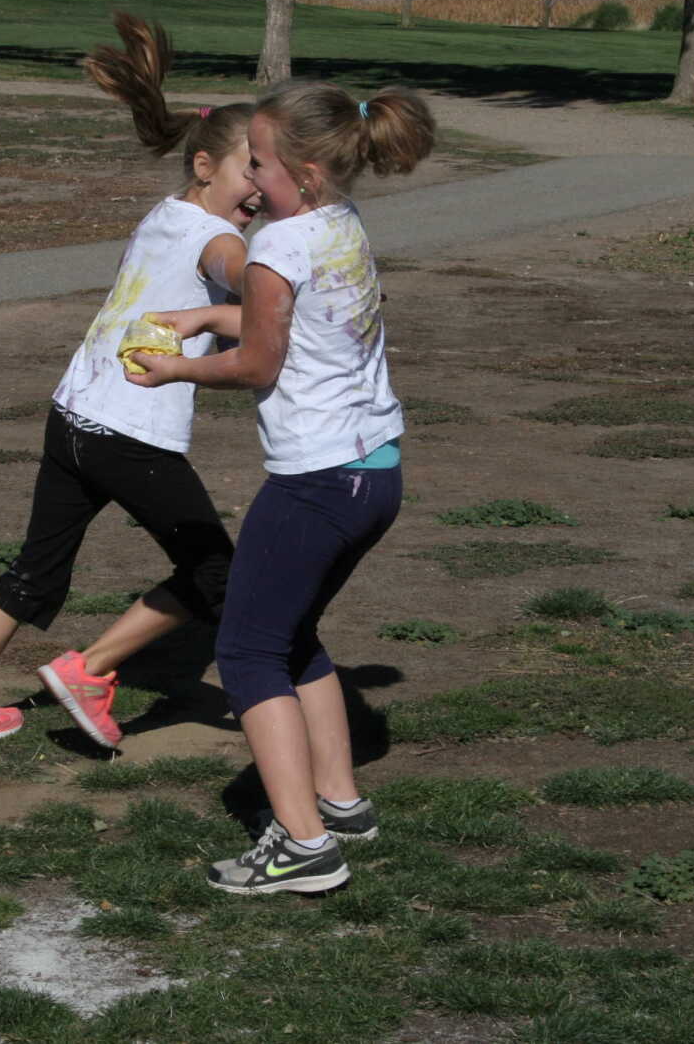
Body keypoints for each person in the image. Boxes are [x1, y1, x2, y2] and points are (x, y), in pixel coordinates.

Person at [0, 14, 259, 754]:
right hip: (130, 432)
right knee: (218, 571)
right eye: (250, 169)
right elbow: (237, 276)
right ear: (205, 167)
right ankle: (90, 671)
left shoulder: (167, 214)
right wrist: (300, 291)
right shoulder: (221, 240)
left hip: (73, 416)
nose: (261, 185)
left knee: (36, 572)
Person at [127, 82, 436, 893]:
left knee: (246, 649)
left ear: (306, 171)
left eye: (260, 162)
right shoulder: (340, 225)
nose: (253, 178)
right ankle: (340, 803)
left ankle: (304, 845)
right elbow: (299, 325)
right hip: (375, 472)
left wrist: (176, 369)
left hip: (315, 482)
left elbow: (260, 360)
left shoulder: (274, 248)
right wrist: (206, 318)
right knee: (289, 630)